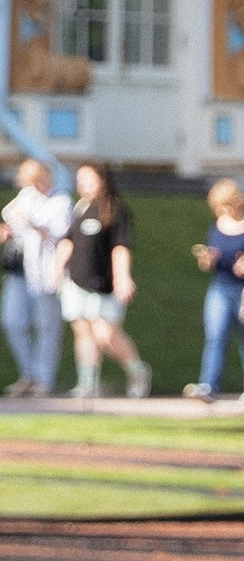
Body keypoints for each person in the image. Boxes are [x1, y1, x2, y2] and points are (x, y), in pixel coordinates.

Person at [59, 161, 150, 406]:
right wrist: (57, 267)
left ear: (103, 180)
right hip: (77, 281)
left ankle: (137, 371)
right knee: (83, 330)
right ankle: (88, 383)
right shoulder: (80, 208)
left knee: (106, 334)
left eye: (89, 180)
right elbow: (69, 241)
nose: (84, 185)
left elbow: (120, 247)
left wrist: (123, 276)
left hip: (104, 283)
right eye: (80, 181)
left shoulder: (116, 210)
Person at [186, 177, 244, 407]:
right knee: (216, 335)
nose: (222, 211)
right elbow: (215, 258)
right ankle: (208, 385)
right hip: (220, 286)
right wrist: (207, 259)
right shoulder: (217, 226)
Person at [2, 154, 70, 401]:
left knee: (47, 326)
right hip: (20, 270)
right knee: (12, 321)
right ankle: (28, 372)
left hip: (46, 271)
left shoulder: (59, 201)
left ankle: (44, 378)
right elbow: (10, 216)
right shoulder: (26, 197)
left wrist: (32, 223)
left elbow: (59, 233)